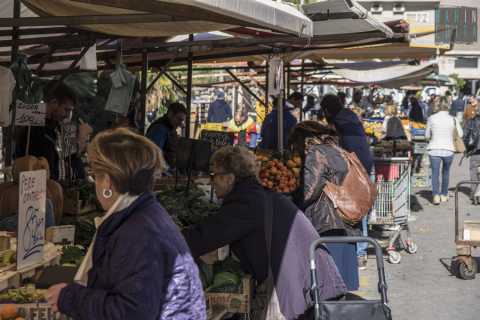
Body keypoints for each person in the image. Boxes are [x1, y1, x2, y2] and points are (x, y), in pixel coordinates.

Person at [46, 128, 206, 319]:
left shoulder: (138, 233)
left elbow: (131, 313)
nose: (95, 183)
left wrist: (70, 298)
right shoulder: (146, 214)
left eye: (95, 176)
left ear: (107, 183)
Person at [183, 146, 346, 320]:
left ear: (229, 178)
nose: (211, 181)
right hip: (310, 280)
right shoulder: (254, 195)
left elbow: (205, 236)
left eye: (214, 175)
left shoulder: (246, 202)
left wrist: (169, 239)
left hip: (304, 285)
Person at [290, 121, 359, 290]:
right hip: (343, 222)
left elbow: (310, 191)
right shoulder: (337, 150)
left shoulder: (317, 153)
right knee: (340, 285)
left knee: (327, 286)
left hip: (326, 223)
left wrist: (292, 197)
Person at [321, 94, 373, 268]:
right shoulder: (349, 116)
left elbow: (337, 148)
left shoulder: (338, 123)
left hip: (355, 170)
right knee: (360, 210)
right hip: (364, 165)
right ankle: (361, 251)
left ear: (327, 110)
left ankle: (359, 252)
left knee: (353, 210)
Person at [17, 80, 76, 181]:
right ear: (54, 102)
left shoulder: (56, 127)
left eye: (70, 111)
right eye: (66, 109)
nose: (67, 115)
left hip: (54, 186)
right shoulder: (34, 129)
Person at [426, 97, 463, 205]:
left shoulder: (431, 118)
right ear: (448, 106)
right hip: (448, 149)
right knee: (446, 173)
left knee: (435, 173)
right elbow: (460, 134)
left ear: (437, 106)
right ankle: (444, 194)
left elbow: (427, 135)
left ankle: (435, 196)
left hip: (434, 149)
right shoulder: (453, 119)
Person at [146, 102, 187, 169]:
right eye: (178, 119)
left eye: (182, 121)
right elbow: (155, 157)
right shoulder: (160, 129)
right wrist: (169, 171)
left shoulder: (169, 129)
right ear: (170, 114)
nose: (180, 124)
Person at [463, 103, 480, 203]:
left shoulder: (471, 121)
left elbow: (465, 136)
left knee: (473, 172)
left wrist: (466, 149)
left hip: (475, 151)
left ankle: (474, 195)